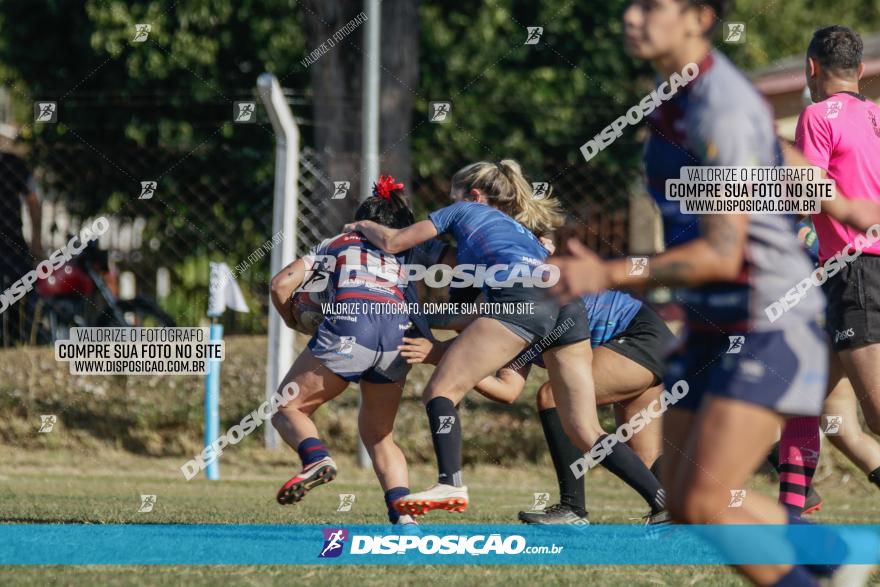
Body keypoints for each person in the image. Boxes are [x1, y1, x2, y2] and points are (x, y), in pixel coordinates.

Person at [550, 1, 880, 585]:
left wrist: (607, 273)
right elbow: (777, 155)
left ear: (699, 17)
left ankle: (831, 559)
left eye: (651, 7)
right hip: (715, 318)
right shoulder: (687, 92)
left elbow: (720, 253)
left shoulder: (718, 101)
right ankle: (832, 552)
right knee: (684, 499)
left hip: (769, 317)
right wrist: (842, 202)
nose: (630, 16)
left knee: (707, 499)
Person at [346, 160, 665, 521]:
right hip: (565, 304)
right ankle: (663, 501)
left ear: (474, 196)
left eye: (452, 196)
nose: (448, 204)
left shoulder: (464, 211)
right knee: (584, 428)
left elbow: (392, 240)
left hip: (530, 301)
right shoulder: (519, 233)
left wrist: (361, 226)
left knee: (440, 392)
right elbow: (477, 324)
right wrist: (429, 325)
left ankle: (450, 482)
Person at [400, 285, 674, 525]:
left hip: (639, 334)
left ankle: (572, 508)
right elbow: (508, 390)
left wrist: (439, 351)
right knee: (645, 461)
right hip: (647, 340)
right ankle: (694, 513)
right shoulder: (514, 324)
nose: (469, 341)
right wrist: (453, 365)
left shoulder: (513, 309)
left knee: (554, 397)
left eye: (467, 331)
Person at [268, 175, 445, 526]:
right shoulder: (410, 249)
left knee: (285, 407)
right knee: (380, 435)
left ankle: (316, 458)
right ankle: (404, 520)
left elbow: (281, 284)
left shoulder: (338, 241)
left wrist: (293, 318)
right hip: (398, 336)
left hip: (351, 325)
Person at [795, 25, 880, 494]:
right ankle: (793, 510)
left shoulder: (816, 116)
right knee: (832, 417)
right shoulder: (876, 115)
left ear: (812, 68)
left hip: (855, 270)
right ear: (861, 70)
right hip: (851, 272)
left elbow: (808, 193)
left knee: (876, 414)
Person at [0, 129, 42, 346]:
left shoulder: (14, 164)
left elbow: (33, 200)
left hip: (11, 242)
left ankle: (19, 341)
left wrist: (36, 240)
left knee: (21, 295)